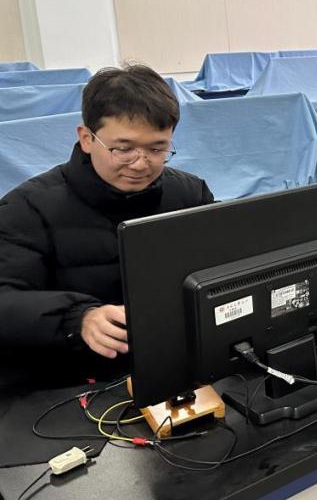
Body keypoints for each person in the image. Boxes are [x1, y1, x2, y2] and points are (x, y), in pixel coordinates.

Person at [0, 65, 214, 384]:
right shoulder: (27, 209)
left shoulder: (190, 194)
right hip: (68, 380)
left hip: (171, 364)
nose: (140, 164)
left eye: (157, 149)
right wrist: (78, 319)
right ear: (87, 138)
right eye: (123, 149)